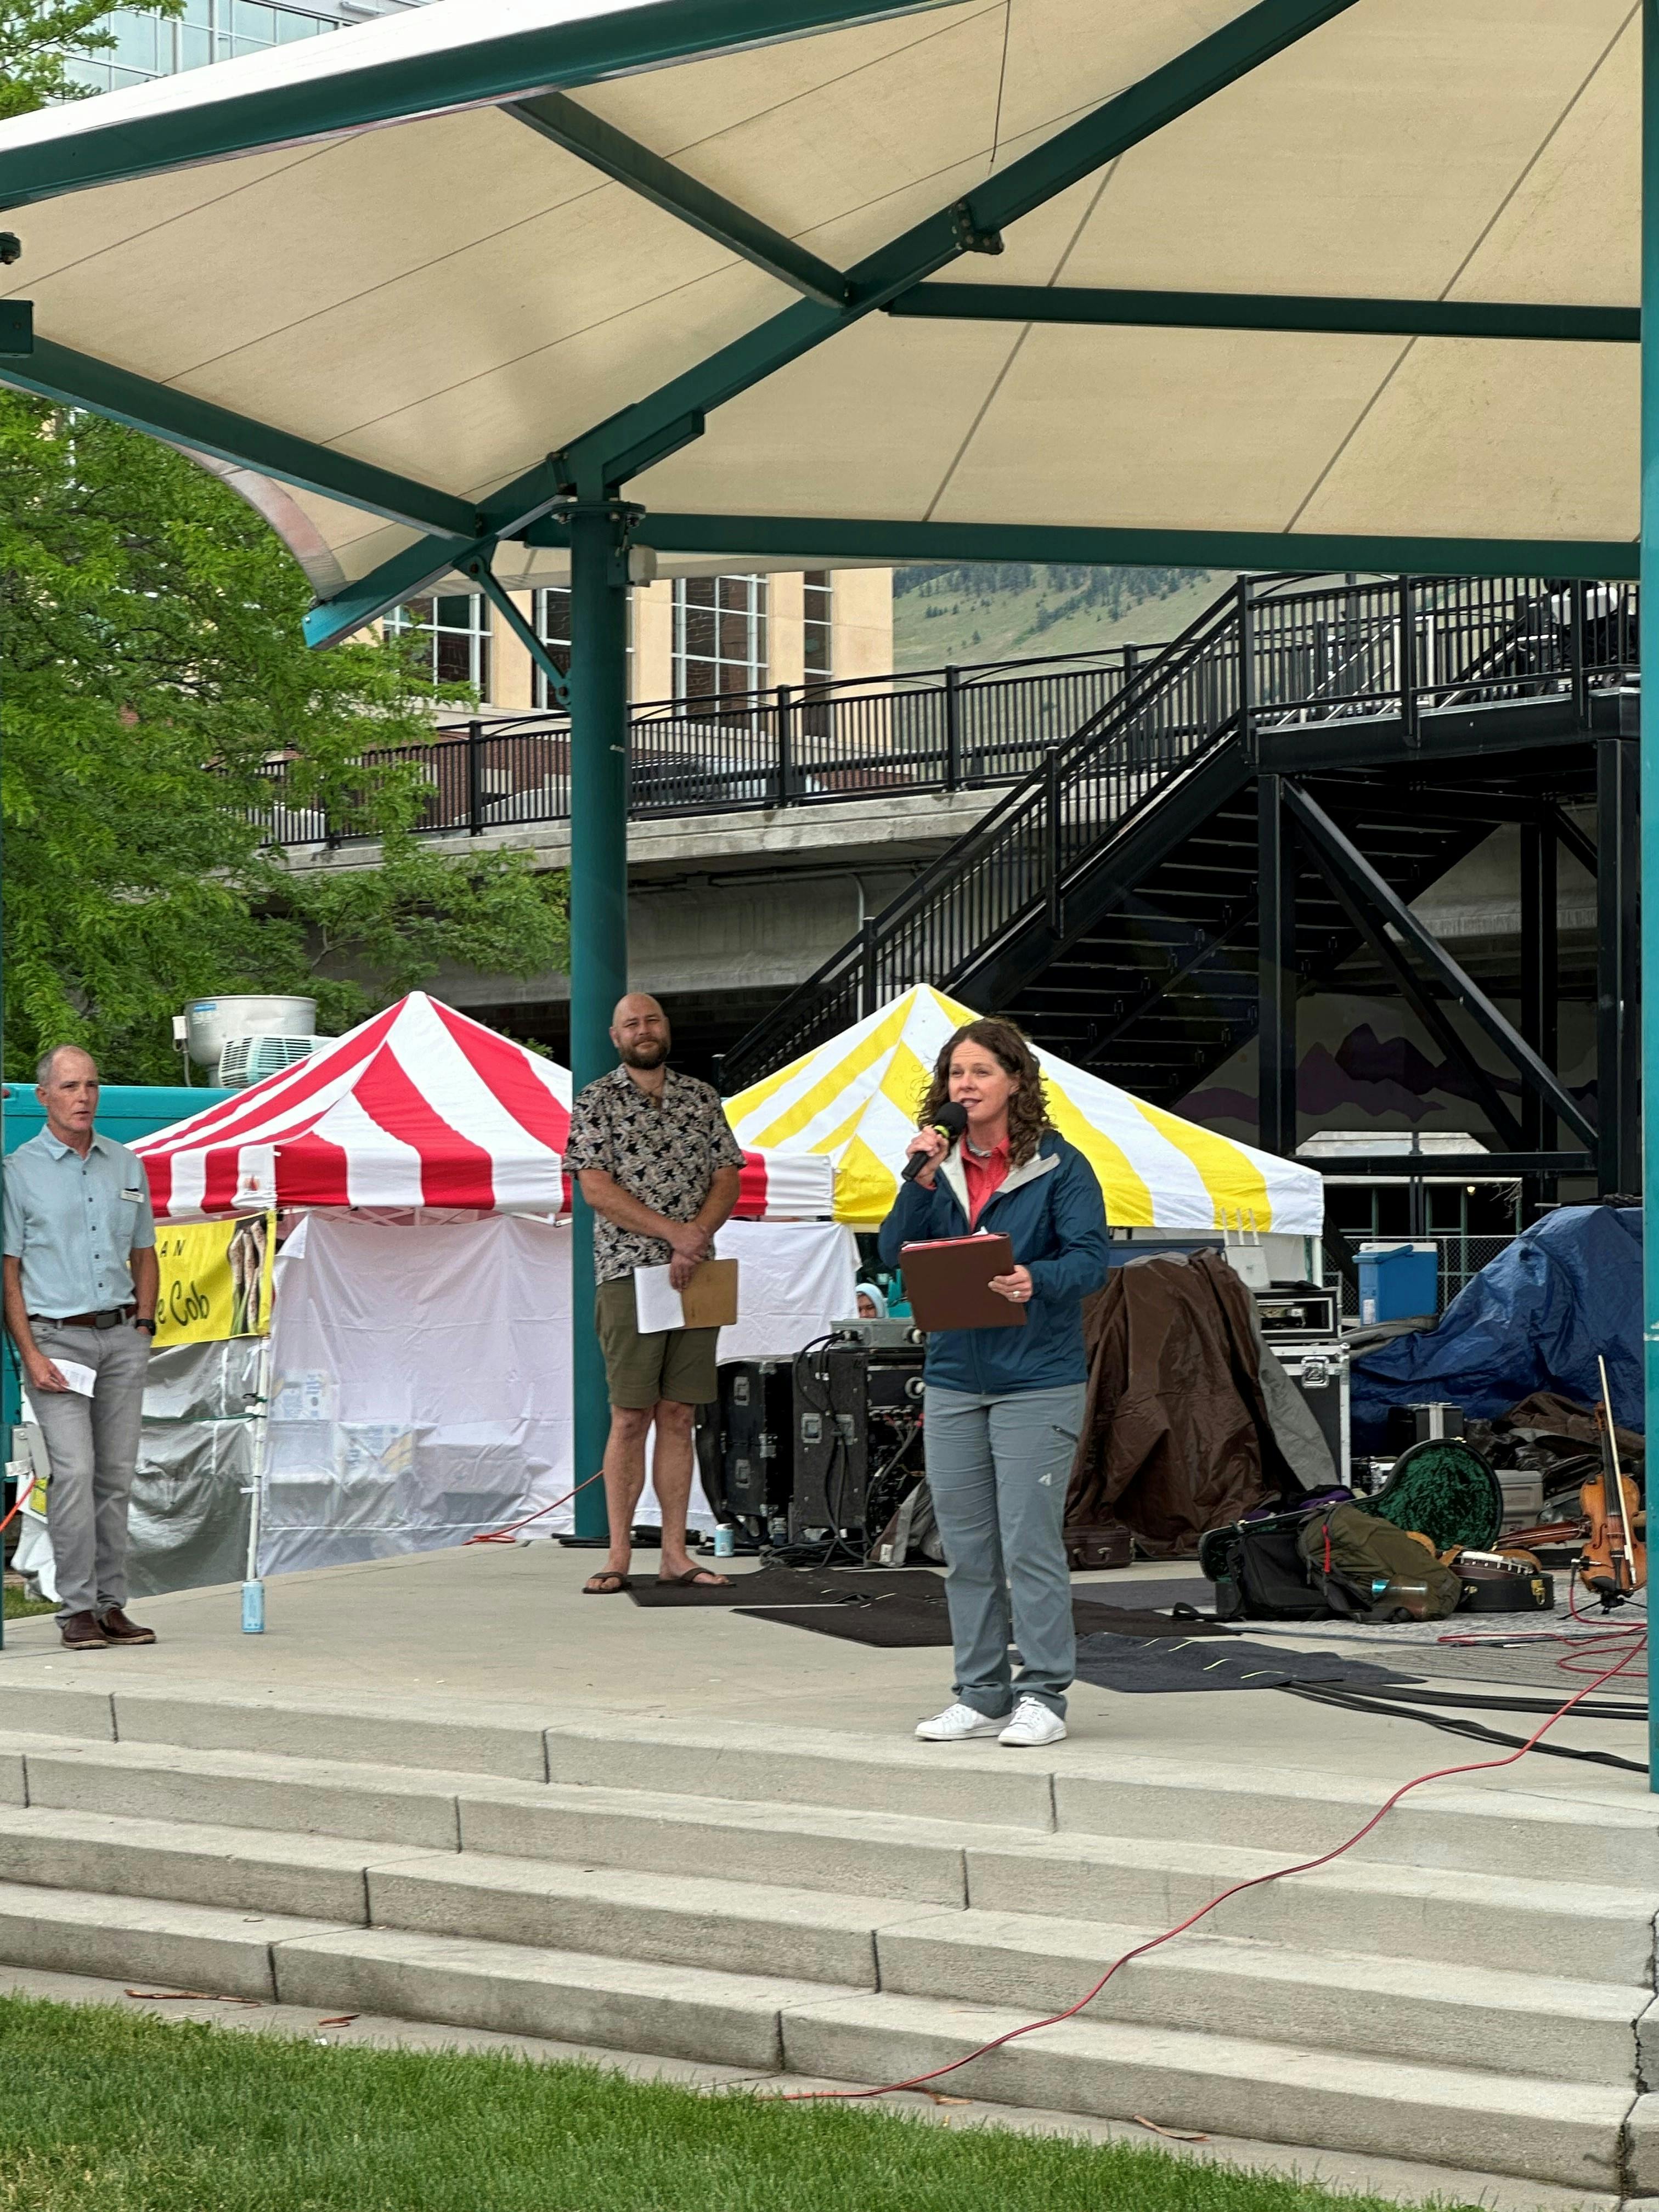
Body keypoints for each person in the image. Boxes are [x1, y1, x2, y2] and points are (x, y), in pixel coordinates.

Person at [878, 1017, 1108, 1747]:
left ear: (1015, 1081)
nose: (965, 1086)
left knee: (1027, 1543)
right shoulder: (936, 1165)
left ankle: (1044, 1693)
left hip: (1036, 1380)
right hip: (953, 1376)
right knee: (966, 1548)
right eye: (955, 1075)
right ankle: (981, 1693)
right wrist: (917, 1173)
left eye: (979, 1072)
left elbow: (1091, 1261)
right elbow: (893, 1251)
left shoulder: (1059, 1166)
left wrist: (1031, 1279)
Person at [565, 993, 746, 1595]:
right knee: (630, 1414)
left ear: (667, 1028)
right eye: (632, 1024)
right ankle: (618, 1554)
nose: (644, 1030)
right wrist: (676, 1234)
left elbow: (727, 1177)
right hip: (627, 1272)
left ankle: (674, 1552)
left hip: (699, 1272)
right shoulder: (595, 1101)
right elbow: (596, 1189)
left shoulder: (703, 1097)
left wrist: (695, 1241)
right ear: (615, 1037)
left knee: (681, 1414)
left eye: (653, 1020)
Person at [2, 1046, 160, 1651]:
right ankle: (75, 1609)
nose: (84, 1097)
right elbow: (8, 1270)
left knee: (116, 1477)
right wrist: (30, 1352)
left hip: (120, 1337)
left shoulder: (126, 1164)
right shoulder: (17, 1172)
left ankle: (111, 1604)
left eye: (92, 1085)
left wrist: (143, 1325)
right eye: (70, 1086)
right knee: (74, 1471)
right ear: (44, 1097)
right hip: (55, 1338)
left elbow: (144, 1250)